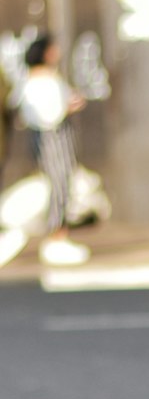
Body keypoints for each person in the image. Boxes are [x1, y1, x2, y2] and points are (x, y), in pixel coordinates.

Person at [17, 34, 90, 266]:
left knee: (64, 181)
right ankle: (56, 235)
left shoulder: (49, 77)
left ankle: (60, 234)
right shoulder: (36, 80)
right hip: (51, 136)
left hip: (58, 134)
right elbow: (45, 113)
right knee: (58, 182)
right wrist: (66, 108)